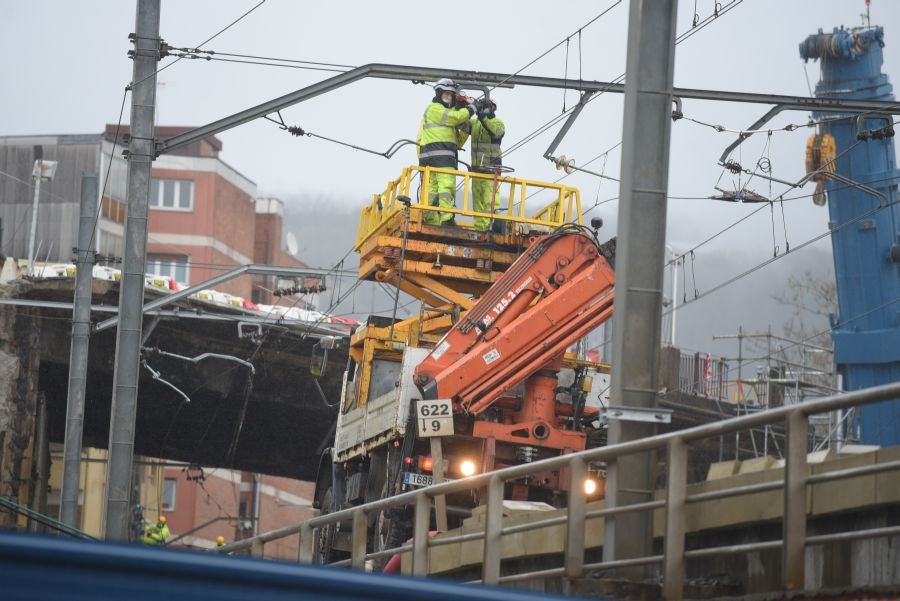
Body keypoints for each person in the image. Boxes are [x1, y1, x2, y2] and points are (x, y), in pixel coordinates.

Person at [417, 78, 475, 226]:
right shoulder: (434, 108)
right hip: (442, 156)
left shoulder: (442, 115)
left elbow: (457, 141)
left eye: (451, 95)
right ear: (439, 93)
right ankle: (447, 219)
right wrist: (471, 109)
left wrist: (466, 127)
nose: (448, 97)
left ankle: (430, 220)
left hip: (430, 156)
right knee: (446, 187)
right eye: (446, 94)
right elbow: (455, 117)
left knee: (431, 191)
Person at [469, 98, 506, 231]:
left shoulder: (498, 122)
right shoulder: (475, 124)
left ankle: (490, 226)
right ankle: (480, 228)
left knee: (489, 200)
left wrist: (483, 117)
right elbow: (461, 124)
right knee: (477, 201)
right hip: (477, 169)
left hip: (491, 169)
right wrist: (462, 106)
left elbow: (496, 132)